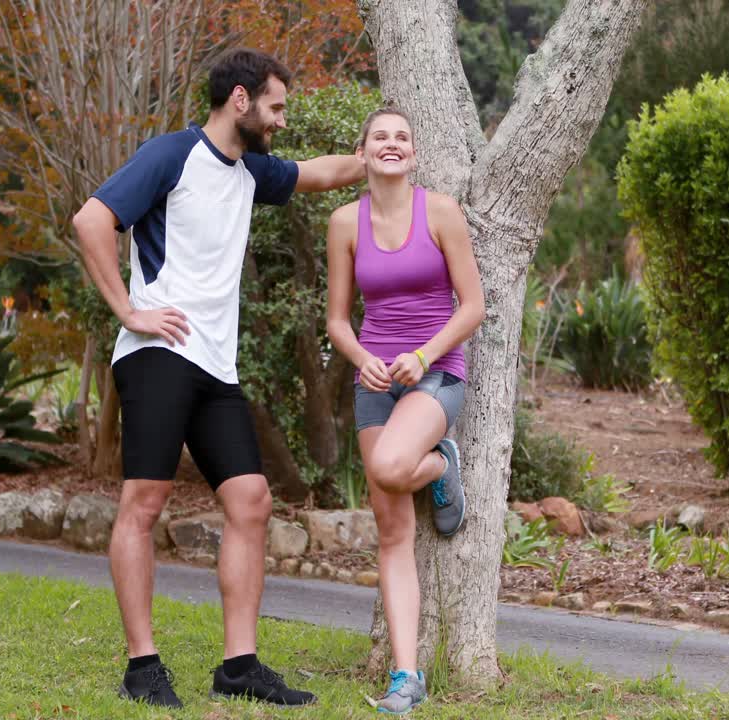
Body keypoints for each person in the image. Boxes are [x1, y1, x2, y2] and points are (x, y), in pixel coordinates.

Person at [72, 48, 364, 709]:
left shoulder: (250, 172)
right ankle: (141, 666)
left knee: (251, 501)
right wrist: (127, 309)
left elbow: (318, 174)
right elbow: (91, 221)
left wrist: (380, 158)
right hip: (157, 354)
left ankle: (238, 666)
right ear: (241, 99)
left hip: (213, 365)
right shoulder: (171, 155)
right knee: (143, 505)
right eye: (277, 106)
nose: (282, 121)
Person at [325, 108, 485, 714]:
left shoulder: (440, 212)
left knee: (392, 468)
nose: (391, 145)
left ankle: (441, 465)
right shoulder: (345, 223)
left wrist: (423, 355)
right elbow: (338, 319)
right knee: (393, 534)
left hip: (436, 375)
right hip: (374, 384)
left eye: (402, 138)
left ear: (413, 154)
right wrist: (361, 357)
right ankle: (406, 677)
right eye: (380, 138)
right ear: (363, 152)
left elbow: (472, 306)